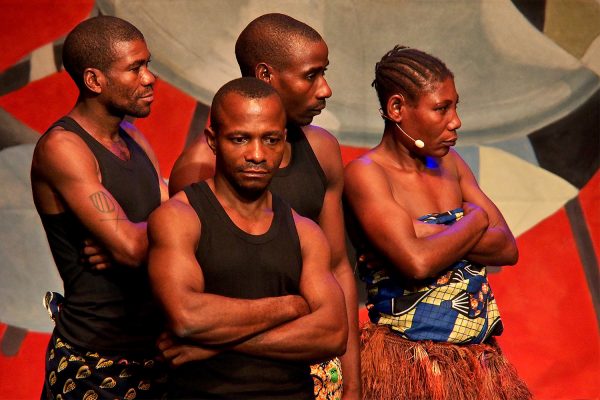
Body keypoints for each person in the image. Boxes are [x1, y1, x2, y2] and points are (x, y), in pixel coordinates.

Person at [168, 13, 360, 399]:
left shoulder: (321, 151)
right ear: (266, 76)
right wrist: (290, 310)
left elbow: (339, 268)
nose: (326, 89)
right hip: (226, 381)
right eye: (311, 75)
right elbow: (194, 308)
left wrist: (353, 383)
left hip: (315, 363)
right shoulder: (199, 169)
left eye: (324, 73)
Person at [343, 45, 532, 400]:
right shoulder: (367, 174)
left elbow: (506, 247)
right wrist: (473, 220)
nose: (455, 120)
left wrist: (431, 232)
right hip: (410, 364)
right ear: (397, 108)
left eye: (455, 105)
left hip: (477, 363)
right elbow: (417, 263)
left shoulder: (451, 163)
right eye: (442, 108)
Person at [31, 16, 168, 399]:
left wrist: (144, 235)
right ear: (94, 80)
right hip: (95, 361)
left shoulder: (134, 136)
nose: (150, 78)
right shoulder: (64, 148)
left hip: (154, 353)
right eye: (135, 68)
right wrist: (139, 240)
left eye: (148, 64)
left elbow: (177, 219)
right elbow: (131, 246)